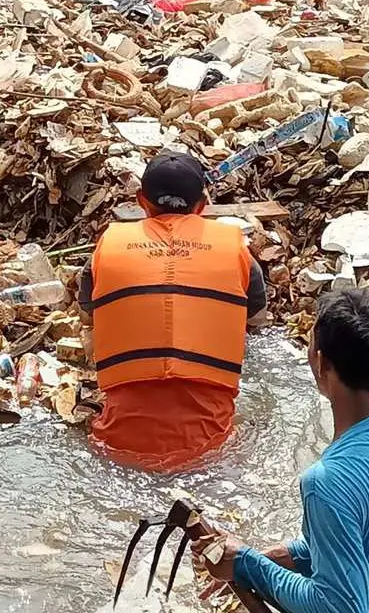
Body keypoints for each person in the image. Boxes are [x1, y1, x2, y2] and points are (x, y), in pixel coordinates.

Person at [191, 288, 369, 613]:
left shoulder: (327, 482)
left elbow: (339, 608)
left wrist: (248, 566)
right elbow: (366, 543)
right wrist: (262, 557)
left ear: (321, 363)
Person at [77, 152, 267, 471]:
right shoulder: (238, 255)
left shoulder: (105, 251)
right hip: (211, 448)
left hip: (117, 447)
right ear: (203, 205)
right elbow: (256, 320)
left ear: (141, 201)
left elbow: (87, 317)